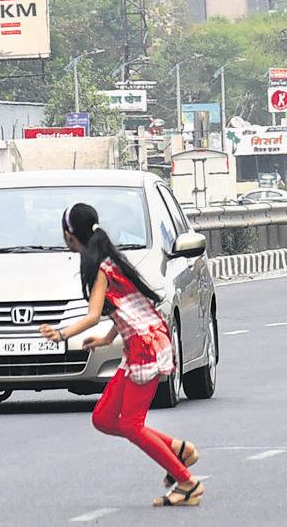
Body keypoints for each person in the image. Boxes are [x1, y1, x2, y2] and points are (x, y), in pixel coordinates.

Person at [39, 204, 205, 507]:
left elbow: (92, 315)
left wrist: (61, 334)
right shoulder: (108, 261)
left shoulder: (101, 268)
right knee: (103, 418)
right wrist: (106, 339)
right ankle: (179, 450)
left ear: (69, 235)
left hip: (146, 347)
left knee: (130, 425)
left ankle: (187, 481)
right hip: (141, 343)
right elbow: (128, 308)